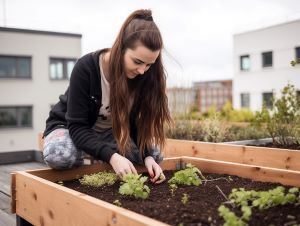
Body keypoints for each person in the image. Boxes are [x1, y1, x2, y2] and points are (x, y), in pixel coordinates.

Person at [42, 9, 172, 184]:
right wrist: (112, 156)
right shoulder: (86, 68)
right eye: (137, 62)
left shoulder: (141, 76)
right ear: (121, 47)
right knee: (61, 155)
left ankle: (99, 152)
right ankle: (90, 155)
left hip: (108, 133)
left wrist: (147, 156)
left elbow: (133, 124)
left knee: (155, 155)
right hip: (70, 127)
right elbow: (77, 127)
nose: (142, 71)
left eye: (149, 64)